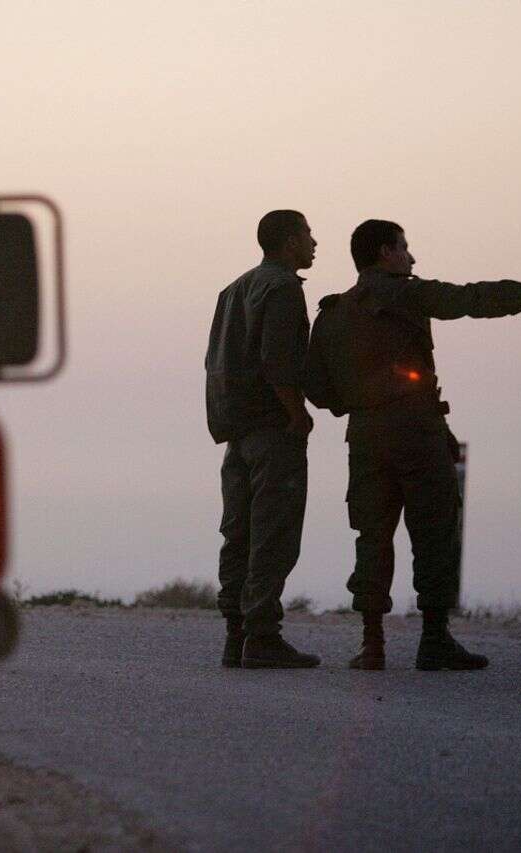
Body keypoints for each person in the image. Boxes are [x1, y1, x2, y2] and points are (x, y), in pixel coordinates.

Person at [305, 219, 521, 671]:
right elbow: (473, 299)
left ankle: (372, 644)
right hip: (416, 434)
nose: (412, 257)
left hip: (365, 438)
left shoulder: (333, 313)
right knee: (434, 531)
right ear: (385, 253)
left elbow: (319, 390)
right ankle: (434, 639)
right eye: (404, 248)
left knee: (372, 536)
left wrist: (363, 403)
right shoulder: (404, 293)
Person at [205, 210, 321, 669]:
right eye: (309, 235)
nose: (315, 243)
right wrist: (299, 415)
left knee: (239, 534)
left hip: (237, 433)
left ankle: (236, 635)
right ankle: (262, 637)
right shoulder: (283, 288)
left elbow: (214, 363)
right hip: (273, 431)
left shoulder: (233, 290)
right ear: (290, 241)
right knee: (273, 535)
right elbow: (277, 362)